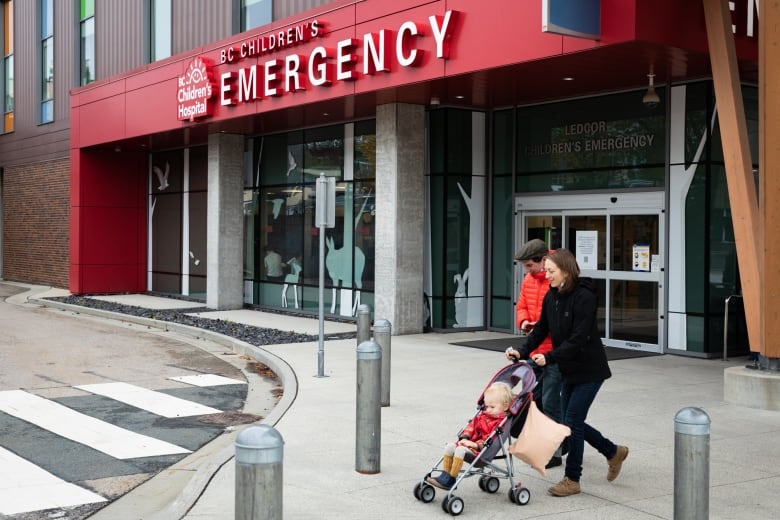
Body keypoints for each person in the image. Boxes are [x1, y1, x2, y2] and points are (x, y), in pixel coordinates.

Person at [519, 248, 628, 497]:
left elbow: (579, 338)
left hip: (589, 369)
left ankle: (572, 479)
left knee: (573, 422)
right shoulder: (552, 295)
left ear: (566, 272)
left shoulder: (583, 297)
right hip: (569, 368)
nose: (546, 276)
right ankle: (613, 451)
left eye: (551, 271)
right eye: (545, 271)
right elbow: (541, 330)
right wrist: (522, 352)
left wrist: (549, 357)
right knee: (570, 422)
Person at [506, 238, 565, 469]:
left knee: (550, 402)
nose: (527, 270)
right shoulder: (529, 280)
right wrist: (524, 321)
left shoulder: (555, 277)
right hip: (534, 349)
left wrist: (538, 326)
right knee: (535, 400)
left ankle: (556, 451)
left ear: (543, 260)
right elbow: (521, 305)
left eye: (529, 265)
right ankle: (554, 441)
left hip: (553, 352)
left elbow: (556, 319)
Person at [426, 382, 514, 490]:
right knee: (449, 446)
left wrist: (473, 444)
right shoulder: (483, 415)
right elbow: (471, 426)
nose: (488, 409)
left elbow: (490, 439)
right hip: (468, 445)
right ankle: (445, 475)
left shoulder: (500, 423)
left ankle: (451, 479)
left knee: (459, 450)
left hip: (480, 452)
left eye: (492, 407)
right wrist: (465, 437)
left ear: (505, 406)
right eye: (487, 406)